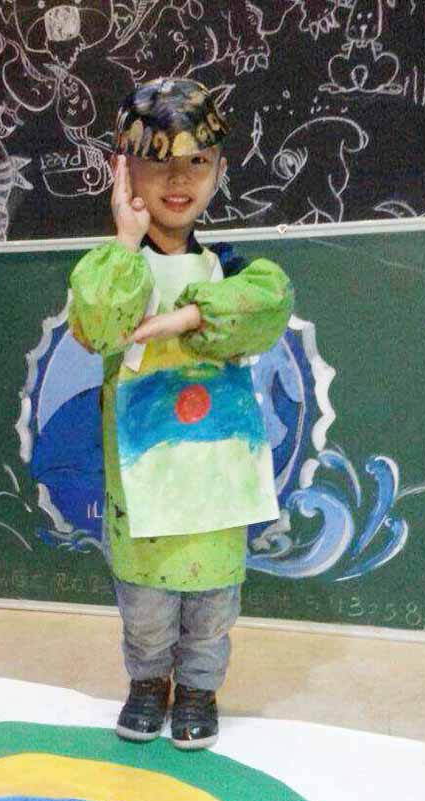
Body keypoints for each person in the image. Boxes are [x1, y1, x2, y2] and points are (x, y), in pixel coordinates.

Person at [68, 77, 294, 749]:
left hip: (217, 482)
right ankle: (147, 684)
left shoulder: (231, 270)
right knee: (144, 610)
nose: (177, 178)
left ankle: (198, 689)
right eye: (157, 159)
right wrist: (126, 239)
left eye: (196, 161)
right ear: (124, 169)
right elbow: (99, 323)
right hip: (142, 484)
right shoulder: (112, 267)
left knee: (212, 608)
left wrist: (188, 316)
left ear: (218, 170)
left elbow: (269, 303)